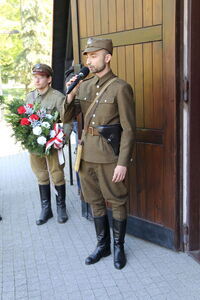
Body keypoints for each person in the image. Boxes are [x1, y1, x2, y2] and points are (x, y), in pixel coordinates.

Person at [66, 38, 135, 269]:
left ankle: (118, 247)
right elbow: (66, 117)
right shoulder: (84, 86)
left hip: (109, 157)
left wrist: (122, 163)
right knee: (95, 202)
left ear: (107, 57)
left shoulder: (120, 87)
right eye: (87, 56)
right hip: (86, 156)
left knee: (116, 201)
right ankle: (102, 245)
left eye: (94, 55)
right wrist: (71, 94)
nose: (89, 60)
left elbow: (128, 129)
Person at [26, 63, 70, 225]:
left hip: (52, 143)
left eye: (40, 77)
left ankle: (61, 207)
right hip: (35, 145)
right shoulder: (29, 97)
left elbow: (67, 120)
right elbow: (24, 120)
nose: (36, 80)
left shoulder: (58, 97)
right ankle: (46, 209)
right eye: (35, 77)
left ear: (49, 79)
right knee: (41, 174)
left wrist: (62, 139)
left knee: (57, 174)